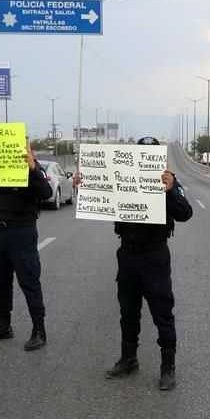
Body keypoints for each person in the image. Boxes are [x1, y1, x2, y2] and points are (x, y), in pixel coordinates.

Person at [75, 137, 193, 390]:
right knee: (128, 312)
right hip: (127, 254)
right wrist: (84, 185)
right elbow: (97, 196)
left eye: (150, 156)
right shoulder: (121, 180)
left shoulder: (168, 181)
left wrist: (171, 189)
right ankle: (128, 359)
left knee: (162, 313)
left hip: (155, 256)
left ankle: (167, 367)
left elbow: (185, 213)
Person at [0, 149, 53, 351]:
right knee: (1, 281)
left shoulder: (32, 168)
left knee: (29, 281)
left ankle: (39, 330)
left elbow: (47, 193)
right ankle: (4, 325)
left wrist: (32, 169)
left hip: (22, 231)